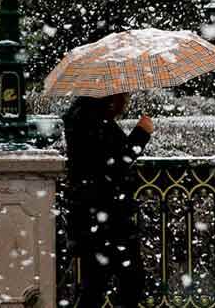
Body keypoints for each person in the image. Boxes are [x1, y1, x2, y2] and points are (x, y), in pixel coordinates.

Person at [63, 93, 154, 308]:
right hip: (108, 216)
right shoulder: (93, 122)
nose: (127, 100)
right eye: (125, 95)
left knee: (96, 284)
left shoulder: (84, 118)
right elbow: (113, 166)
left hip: (95, 215)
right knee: (129, 282)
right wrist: (141, 134)